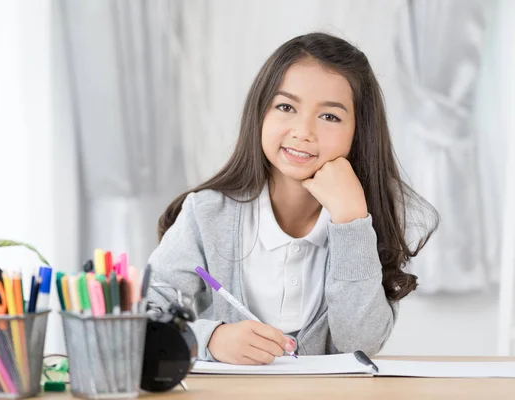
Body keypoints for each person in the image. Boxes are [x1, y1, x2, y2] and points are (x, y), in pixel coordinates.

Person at [146, 32, 438, 365]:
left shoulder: (364, 218)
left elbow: (360, 344)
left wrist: (352, 221)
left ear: (360, 132)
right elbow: (141, 318)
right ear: (261, 113)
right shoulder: (207, 213)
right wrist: (210, 339)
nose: (303, 131)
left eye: (329, 116)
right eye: (286, 106)